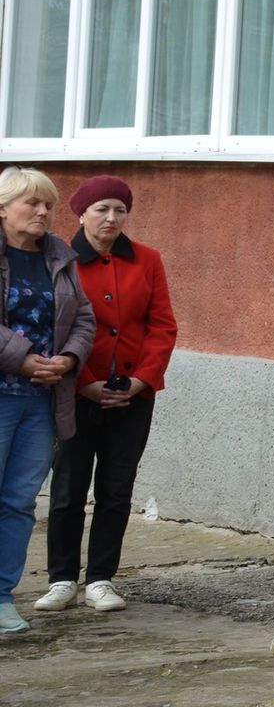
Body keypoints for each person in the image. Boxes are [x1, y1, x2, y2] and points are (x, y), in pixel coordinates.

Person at [36, 175, 177, 616]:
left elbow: (162, 326)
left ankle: (101, 579)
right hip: (77, 391)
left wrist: (142, 381)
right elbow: (54, 325)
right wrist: (84, 382)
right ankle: (62, 579)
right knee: (68, 488)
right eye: (101, 210)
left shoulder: (148, 260)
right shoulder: (59, 258)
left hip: (133, 395)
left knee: (116, 490)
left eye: (119, 209)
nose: (111, 218)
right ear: (81, 213)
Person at [0, 167, 93, 635]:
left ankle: (1, 597)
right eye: (31, 203)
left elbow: (84, 317)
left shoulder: (59, 255)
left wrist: (68, 359)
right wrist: (25, 359)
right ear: (3, 208)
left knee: (18, 502)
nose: (43, 212)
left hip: (40, 402)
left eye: (48, 205)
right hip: (4, 390)